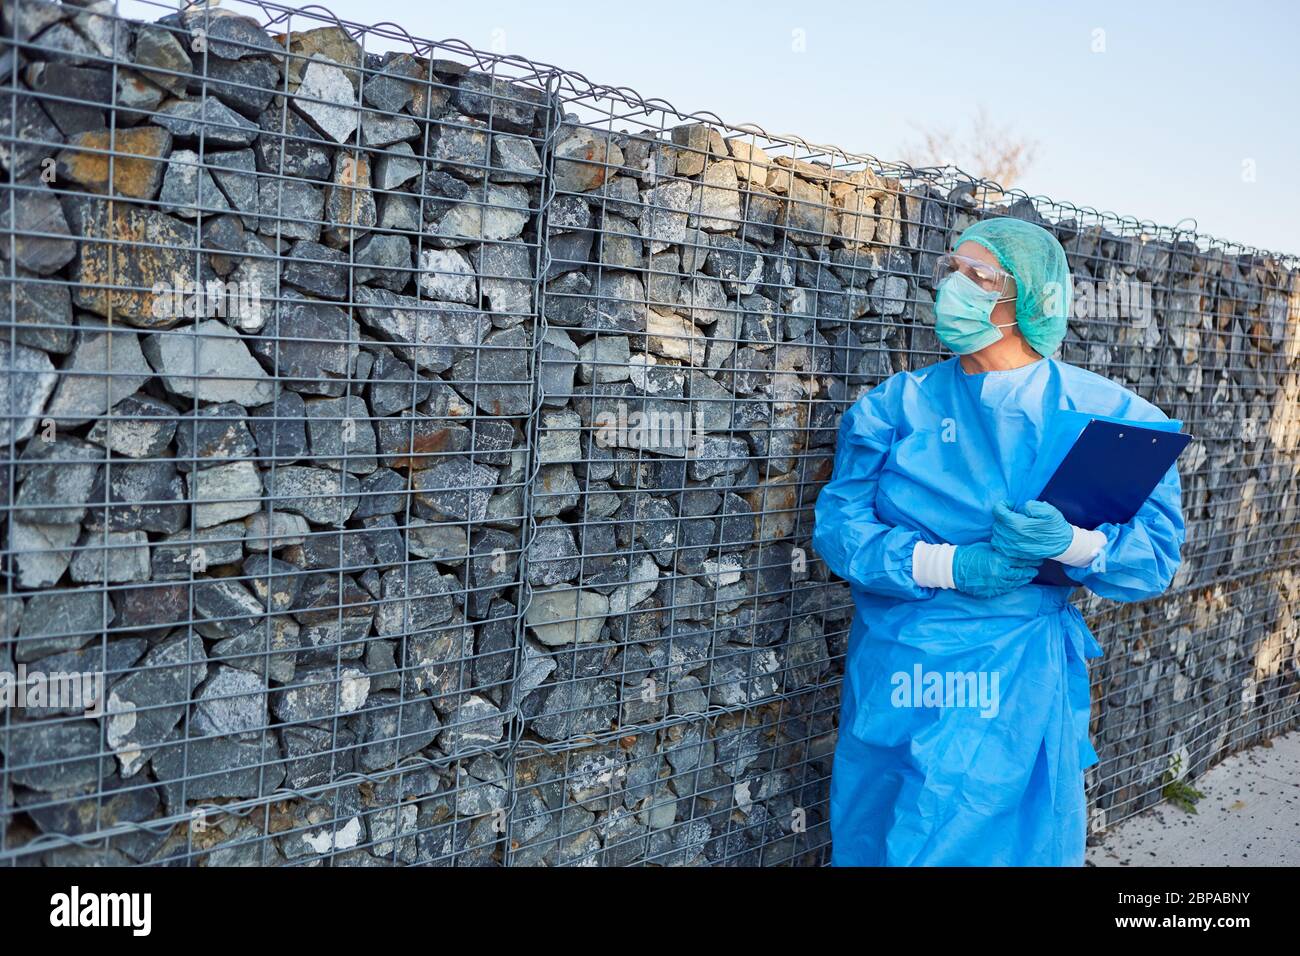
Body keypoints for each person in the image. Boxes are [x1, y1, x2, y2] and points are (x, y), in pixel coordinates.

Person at [813, 216, 1185, 866]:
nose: (953, 288)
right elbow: (843, 533)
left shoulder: (1115, 419)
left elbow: (1152, 562)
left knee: (992, 839)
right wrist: (952, 564)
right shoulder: (892, 409)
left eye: (977, 277)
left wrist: (1070, 543)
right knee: (879, 825)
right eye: (951, 271)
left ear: (1031, 301)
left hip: (1015, 680)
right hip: (899, 666)